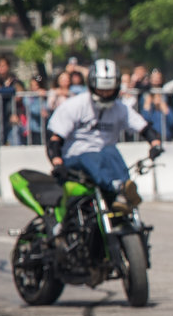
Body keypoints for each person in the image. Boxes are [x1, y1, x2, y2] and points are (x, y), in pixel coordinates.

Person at [46, 59, 163, 211]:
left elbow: (145, 128)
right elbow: (55, 139)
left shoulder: (120, 109)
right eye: (101, 90)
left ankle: (124, 190)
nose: (106, 94)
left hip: (105, 157)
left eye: (110, 90)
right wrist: (57, 163)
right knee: (92, 154)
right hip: (76, 157)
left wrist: (155, 145)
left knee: (110, 150)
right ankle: (118, 187)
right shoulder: (74, 106)